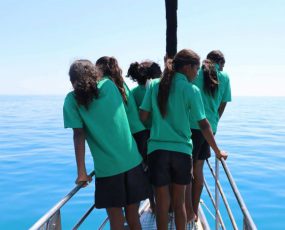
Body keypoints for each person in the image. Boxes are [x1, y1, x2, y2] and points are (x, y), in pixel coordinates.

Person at [140, 49, 227, 230]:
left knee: (162, 204)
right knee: (179, 204)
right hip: (181, 152)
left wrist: (157, 126)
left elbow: (143, 116)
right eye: (196, 69)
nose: (197, 74)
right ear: (187, 67)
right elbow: (203, 125)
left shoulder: (154, 85)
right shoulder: (190, 89)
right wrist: (217, 151)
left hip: (157, 151)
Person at [63, 60, 148, 230]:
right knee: (133, 217)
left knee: (116, 221)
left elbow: (78, 135)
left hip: (107, 170)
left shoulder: (72, 101)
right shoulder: (109, 86)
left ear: (73, 80)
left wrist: (82, 172)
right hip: (132, 162)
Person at [187, 50, 231, 222]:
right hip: (208, 129)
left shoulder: (196, 73)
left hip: (189, 125)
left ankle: (185, 209)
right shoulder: (225, 77)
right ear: (221, 63)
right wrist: (214, 121)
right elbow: (223, 103)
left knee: (186, 170)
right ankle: (194, 210)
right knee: (198, 169)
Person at [95, 56, 149, 163]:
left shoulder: (106, 85)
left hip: (131, 135)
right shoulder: (121, 84)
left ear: (99, 69)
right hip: (141, 132)